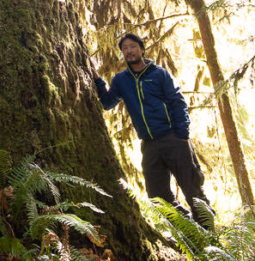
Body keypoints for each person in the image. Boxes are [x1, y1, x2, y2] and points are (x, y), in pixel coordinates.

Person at [92, 32, 214, 227]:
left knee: (192, 189)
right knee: (157, 196)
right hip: (149, 144)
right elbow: (107, 103)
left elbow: (177, 101)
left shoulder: (159, 73)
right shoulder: (121, 80)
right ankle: (189, 231)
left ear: (141, 48)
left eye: (132, 46)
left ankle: (210, 237)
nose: (129, 51)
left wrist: (182, 134)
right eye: (125, 48)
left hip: (174, 138)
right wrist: (98, 79)